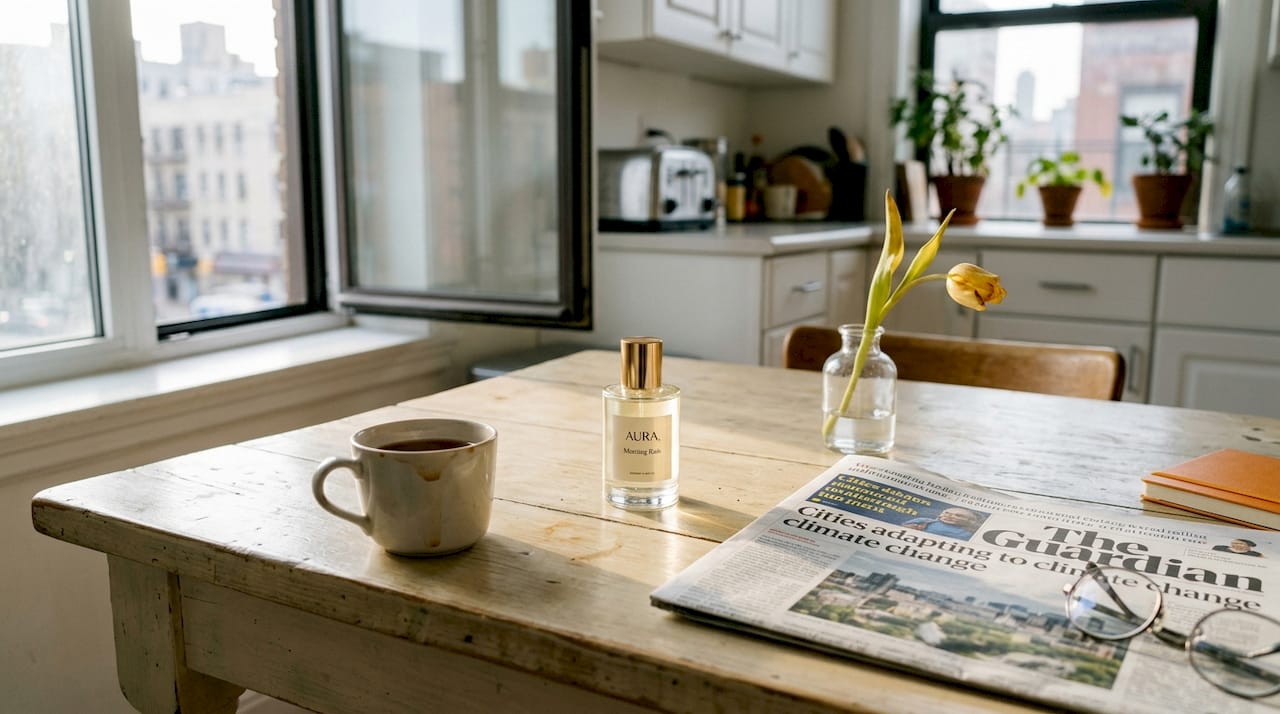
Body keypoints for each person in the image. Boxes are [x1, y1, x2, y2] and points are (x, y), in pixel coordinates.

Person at [903, 507, 982, 539]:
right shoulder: (924, 521)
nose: (950, 516)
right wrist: (912, 527)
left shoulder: (968, 533)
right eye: (946, 513)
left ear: (971, 521)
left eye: (958, 515)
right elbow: (903, 526)